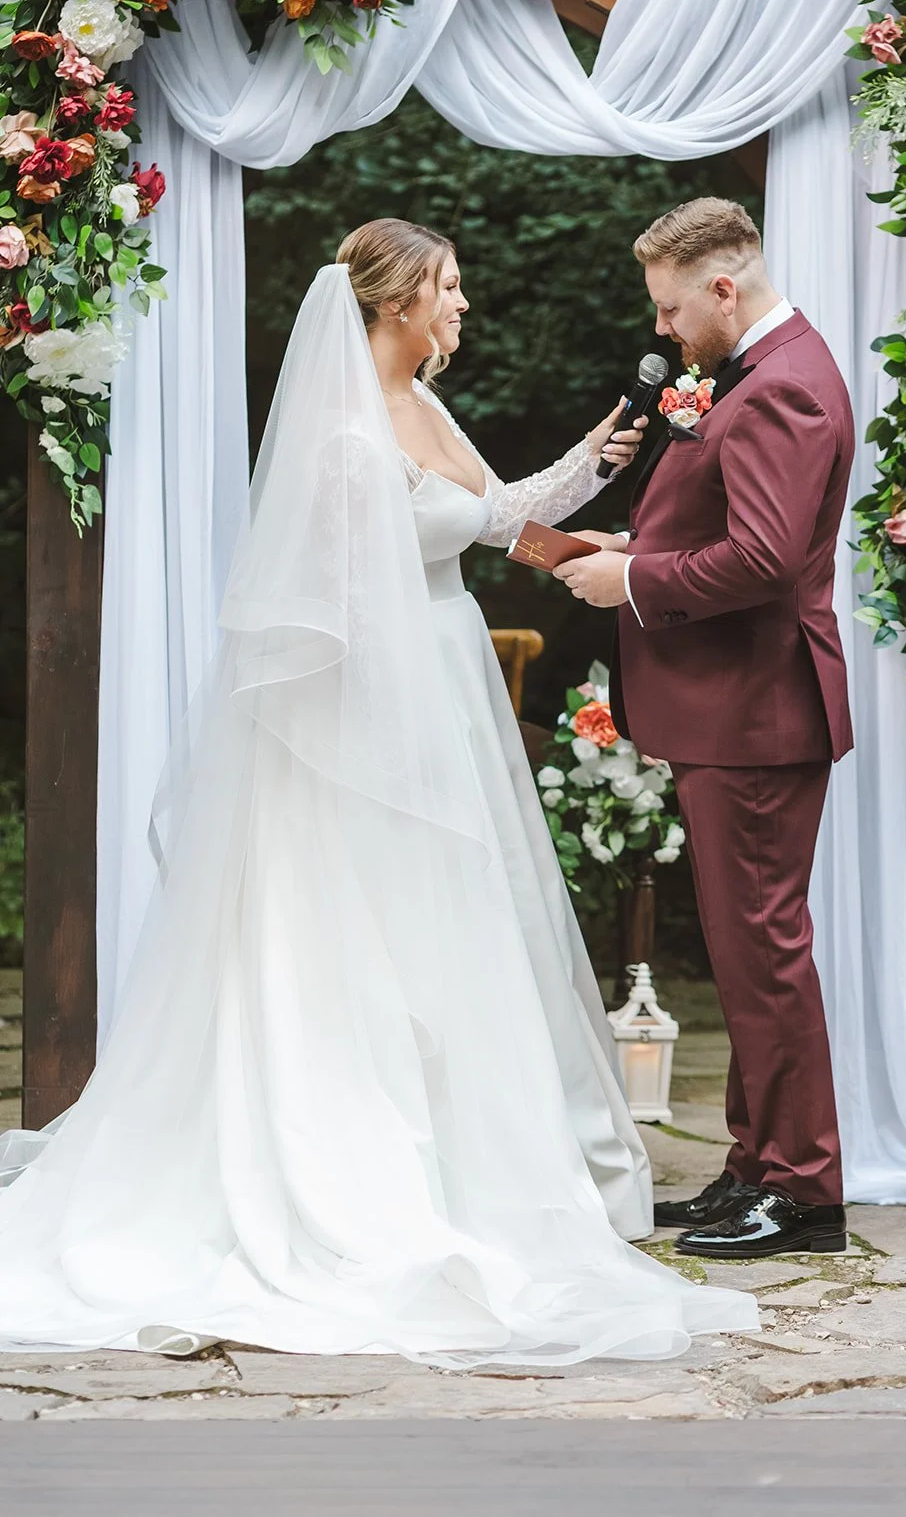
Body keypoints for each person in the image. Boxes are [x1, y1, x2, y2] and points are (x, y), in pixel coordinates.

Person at [0, 219, 757, 1361]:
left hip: (446, 693)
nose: (462, 307)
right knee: (369, 935)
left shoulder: (422, 405)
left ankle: (475, 1156)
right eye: (449, 288)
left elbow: (487, 517)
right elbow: (346, 594)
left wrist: (586, 472)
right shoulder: (342, 432)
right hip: (378, 719)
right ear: (397, 300)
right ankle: (362, 1168)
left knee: (459, 929)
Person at [557, 197, 854, 1260]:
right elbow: (717, 524)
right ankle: (755, 1166)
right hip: (737, 708)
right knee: (742, 955)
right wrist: (628, 538)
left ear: (723, 288)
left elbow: (764, 557)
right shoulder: (751, 372)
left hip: (757, 709)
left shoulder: (782, 388)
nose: (663, 332)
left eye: (672, 309)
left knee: (764, 954)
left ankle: (805, 1190)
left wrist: (630, 578)